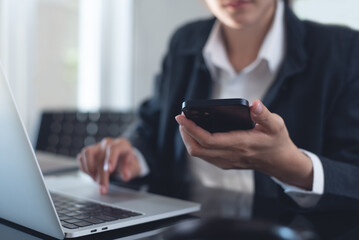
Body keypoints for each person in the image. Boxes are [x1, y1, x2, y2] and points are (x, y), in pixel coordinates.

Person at [78, 0, 359, 210]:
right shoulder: (184, 41)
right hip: (184, 224)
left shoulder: (343, 50)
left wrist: (292, 166)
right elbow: (151, 127)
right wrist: (131, 154)